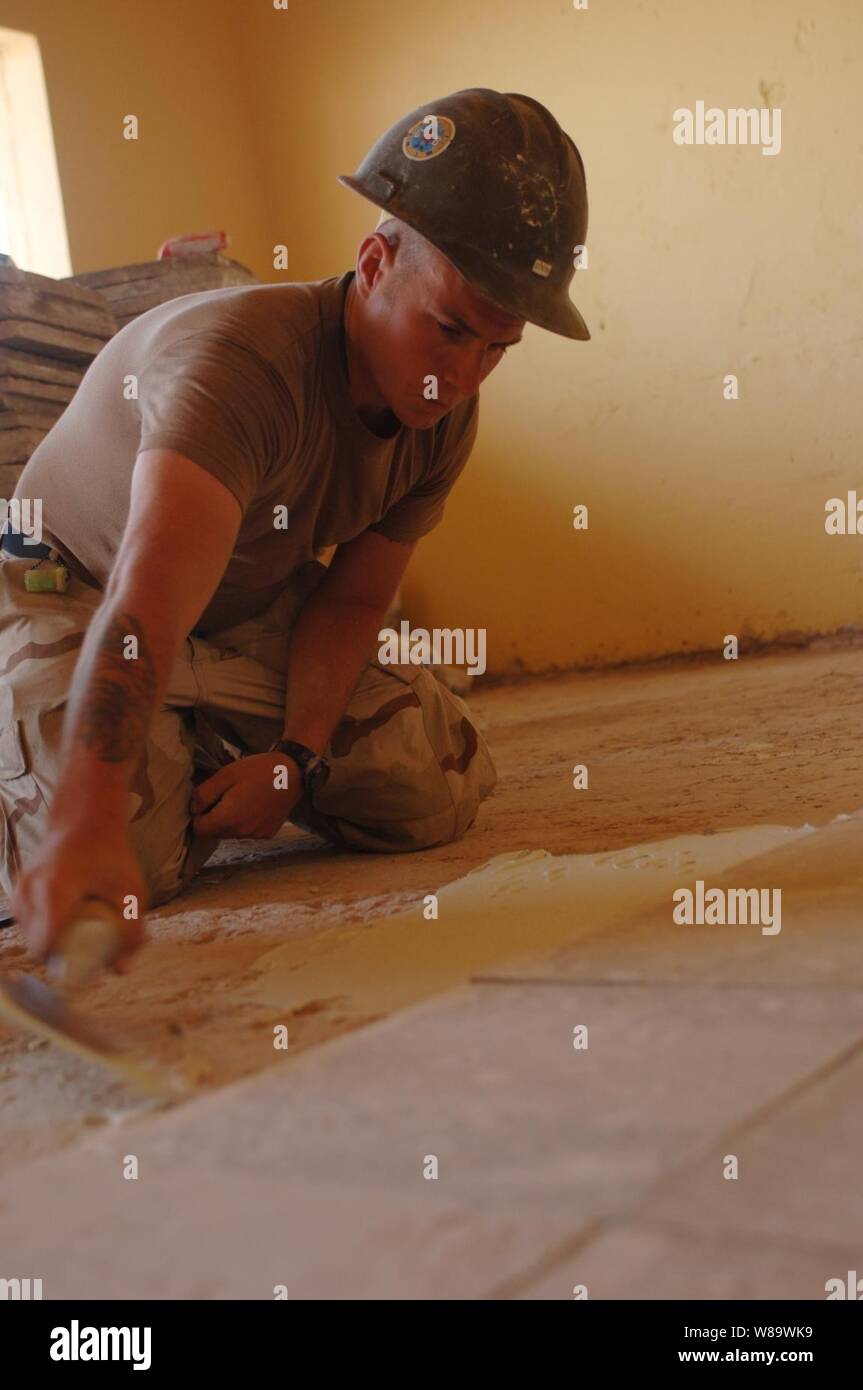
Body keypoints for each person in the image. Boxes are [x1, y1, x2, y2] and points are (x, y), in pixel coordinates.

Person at [0, 87, 589, 968]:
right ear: (376, 262)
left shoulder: (441, 416)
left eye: (496, 349)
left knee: (429, 782)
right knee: (121, 859)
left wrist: (293, 759)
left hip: (235, 607)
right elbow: (146, 598)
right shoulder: (237, 367)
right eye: (450, 330)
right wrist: (85, 817)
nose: (464, 377)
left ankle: (178, 745)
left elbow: (352, 599)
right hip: (77, 593)